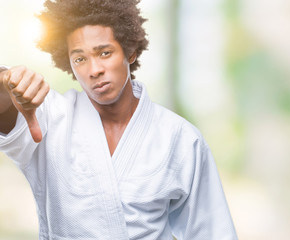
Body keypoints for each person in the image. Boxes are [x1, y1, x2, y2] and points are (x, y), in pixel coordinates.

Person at [0, 0, 238, 239]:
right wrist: (6, 80)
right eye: (80, 59)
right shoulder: (50, 118)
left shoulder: (181, 139)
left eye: (104, 53)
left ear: (130, 51)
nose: (94, 70)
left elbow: (213, 232)